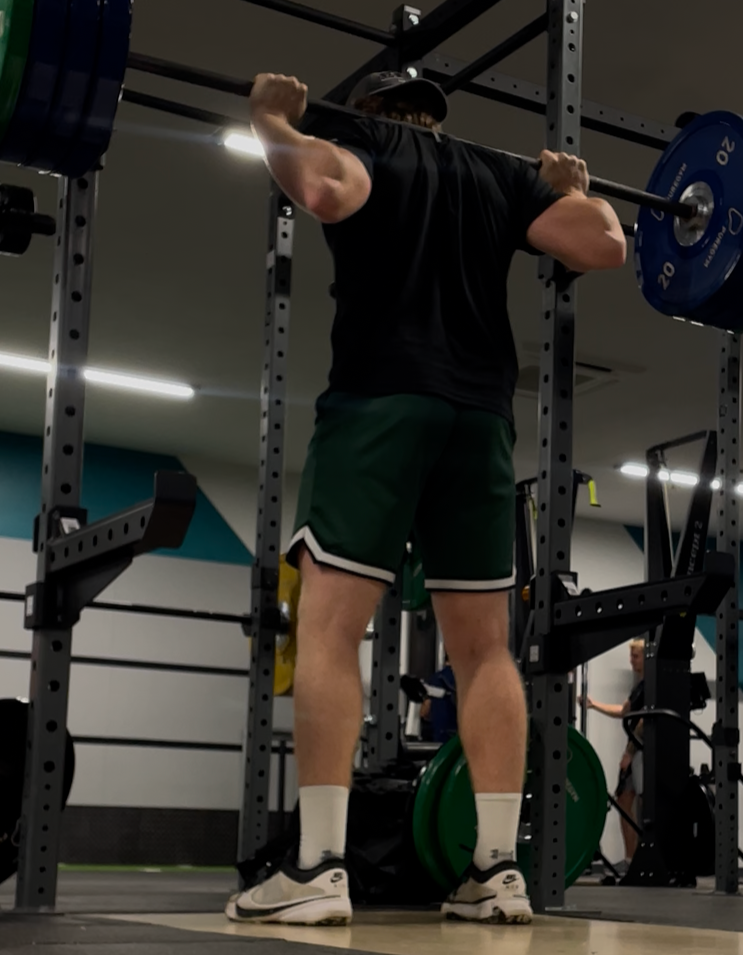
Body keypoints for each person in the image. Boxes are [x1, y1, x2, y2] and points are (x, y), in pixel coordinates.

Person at [225, 70, 626, 927]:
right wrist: (574, 189)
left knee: (330, 628)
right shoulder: (498, 176)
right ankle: (496, 870)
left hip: (377, 405)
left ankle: (318, 866)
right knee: (484, 650)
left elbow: (319, 187)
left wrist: (270, 118)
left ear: (368, 111)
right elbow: (602, 244)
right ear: (438, 118)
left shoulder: (366, 143)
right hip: (479, 422)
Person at [583, 639, 645, 870]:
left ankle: (639, 859)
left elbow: (643, 721)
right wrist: (594, 705)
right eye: (631, 656)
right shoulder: (639, 687)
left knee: (642, 804)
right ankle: (630, 859)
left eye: (635, 657)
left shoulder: (652, 685)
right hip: (635, 749)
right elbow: (624, 711)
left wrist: (629, 752)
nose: (631, 661)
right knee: (624, 801)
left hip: (641, 751)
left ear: (647, 658)